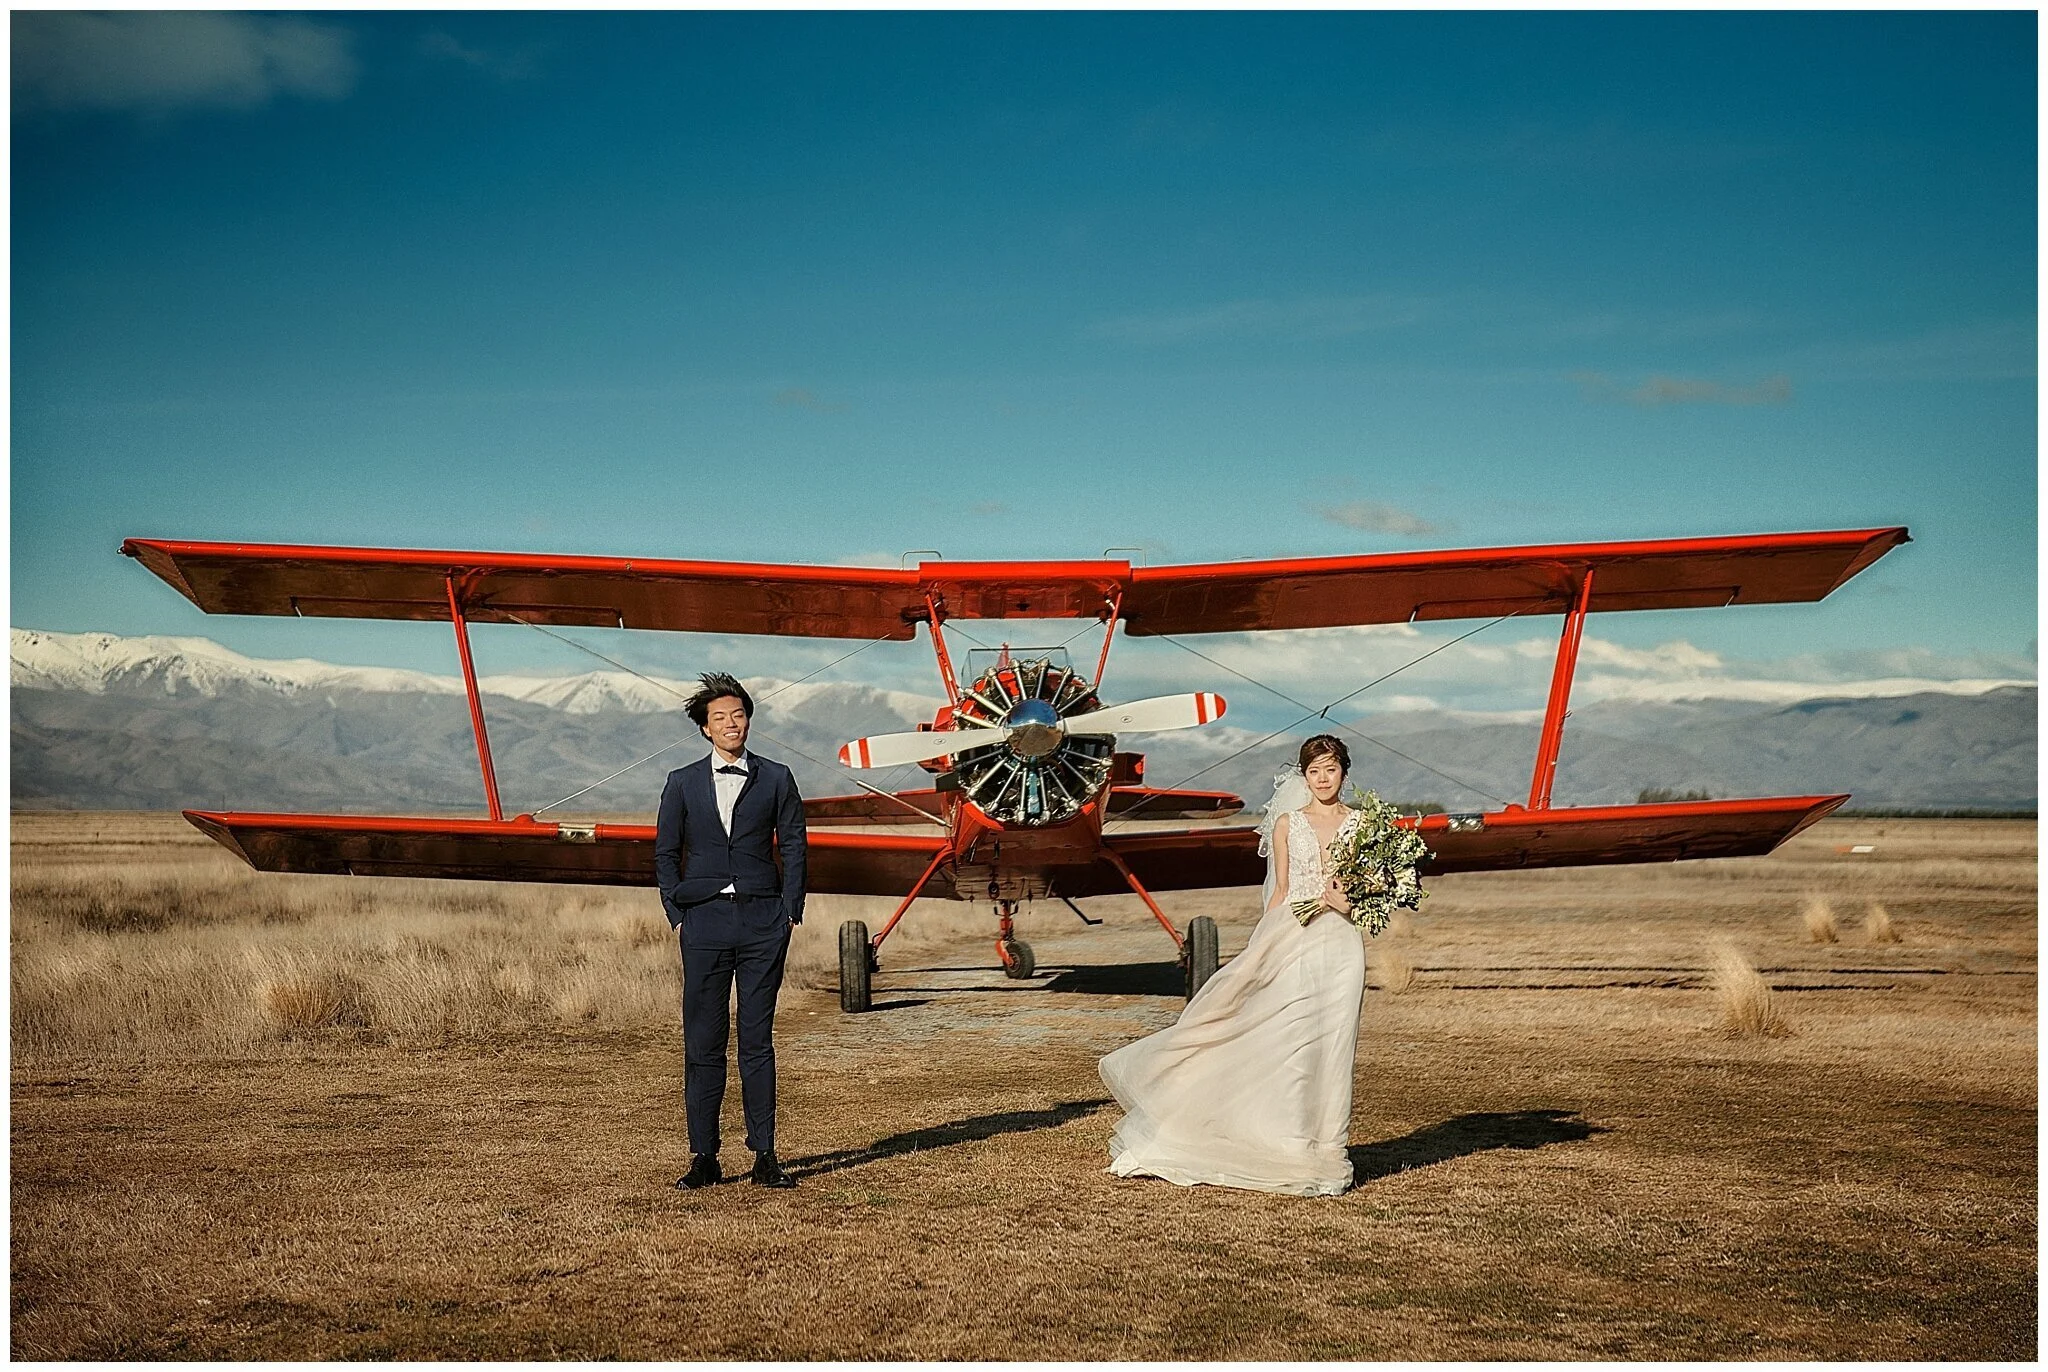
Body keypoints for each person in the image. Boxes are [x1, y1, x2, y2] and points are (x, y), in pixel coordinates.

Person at [1097, 734, 1366, 1196]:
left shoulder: (1363, 826)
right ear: (1304, 777)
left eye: (1331, 769)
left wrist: (1352, 902)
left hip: (1343, 946)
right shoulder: (1288, 824)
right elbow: (1281, 893)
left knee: (1336, 1043)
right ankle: (1291, 1148)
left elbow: (1369, 889)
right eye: (1314, 771)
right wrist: (1262, 950)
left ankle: (1327, 1150)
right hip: (1294, 937)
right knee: (1294, 1039)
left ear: (1344, 772)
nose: (1323, 779)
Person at [654, 671, 808, 1190]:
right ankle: (704, 1156)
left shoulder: (778, 777)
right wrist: (677, 911)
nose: (731, 723)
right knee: (703, 1041)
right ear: (705, 728)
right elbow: (664, 852)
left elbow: (794, 845)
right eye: (719, 717)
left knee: (757, 1041)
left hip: (764, 921)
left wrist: (790, 909)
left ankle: (765, 1154)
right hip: (703, 922)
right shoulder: (681, 782)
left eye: (738, 714)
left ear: (749, 721)